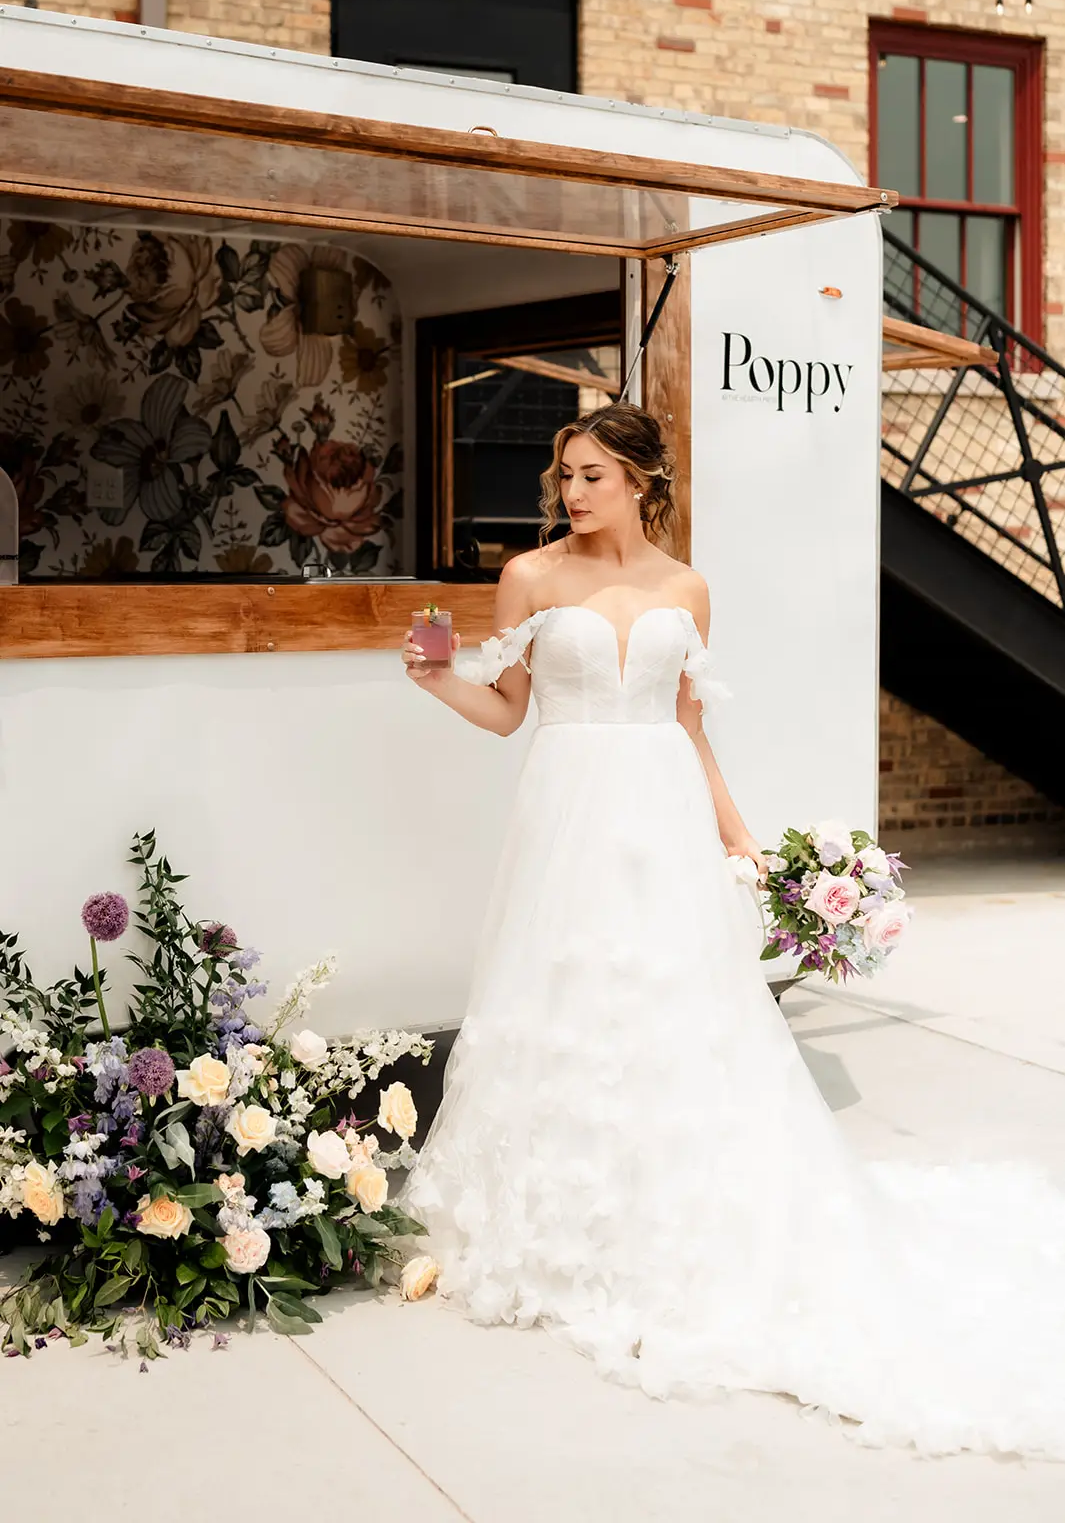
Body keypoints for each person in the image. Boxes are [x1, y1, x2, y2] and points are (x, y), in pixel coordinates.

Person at [398, 401, 1065, 1460]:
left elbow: (688, 722)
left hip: (660, 810)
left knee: (674, 1006)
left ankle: (681, 1204)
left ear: (643, 483)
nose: (572, 494)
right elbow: (509, 712)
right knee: (563, 998)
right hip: (567, 810)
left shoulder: (687, 588)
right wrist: (438, 681)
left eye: (594, 476)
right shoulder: (528, 579)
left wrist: (740, 835)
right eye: (564, 474)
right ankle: (564, 1217)